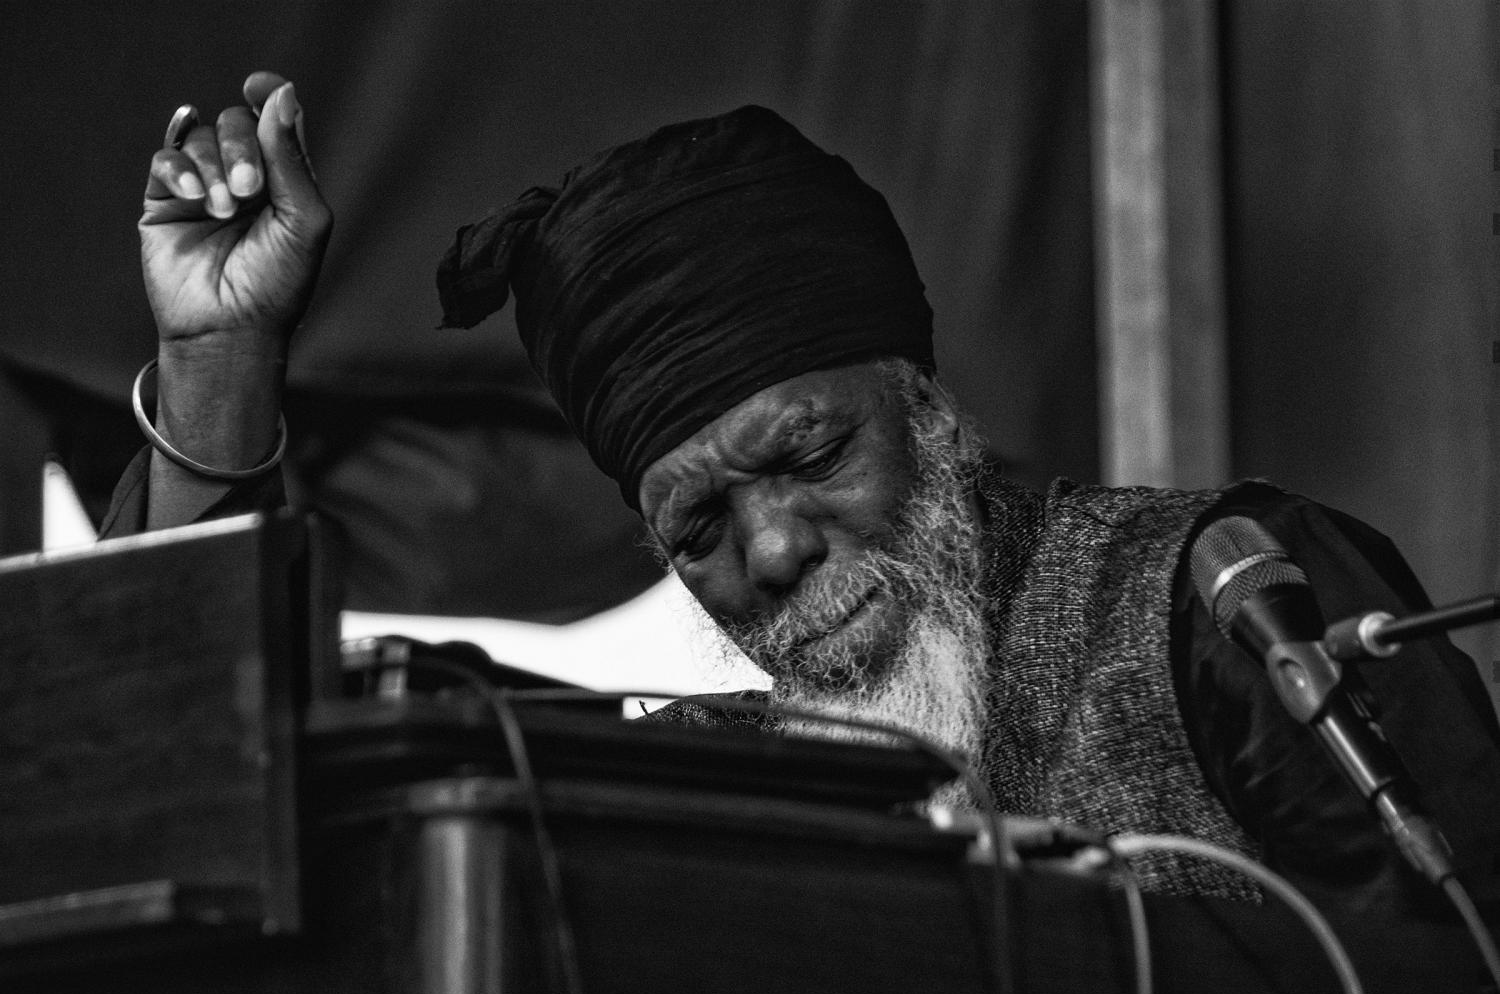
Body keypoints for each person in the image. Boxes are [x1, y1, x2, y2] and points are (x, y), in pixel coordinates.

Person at [110, 72, 1500, 918]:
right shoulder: (688, 789)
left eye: (813, 455)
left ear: (931, 406)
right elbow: (197, 792)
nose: (769, 551)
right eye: (696, 532)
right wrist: (219, 362)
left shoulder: (1223, 599)